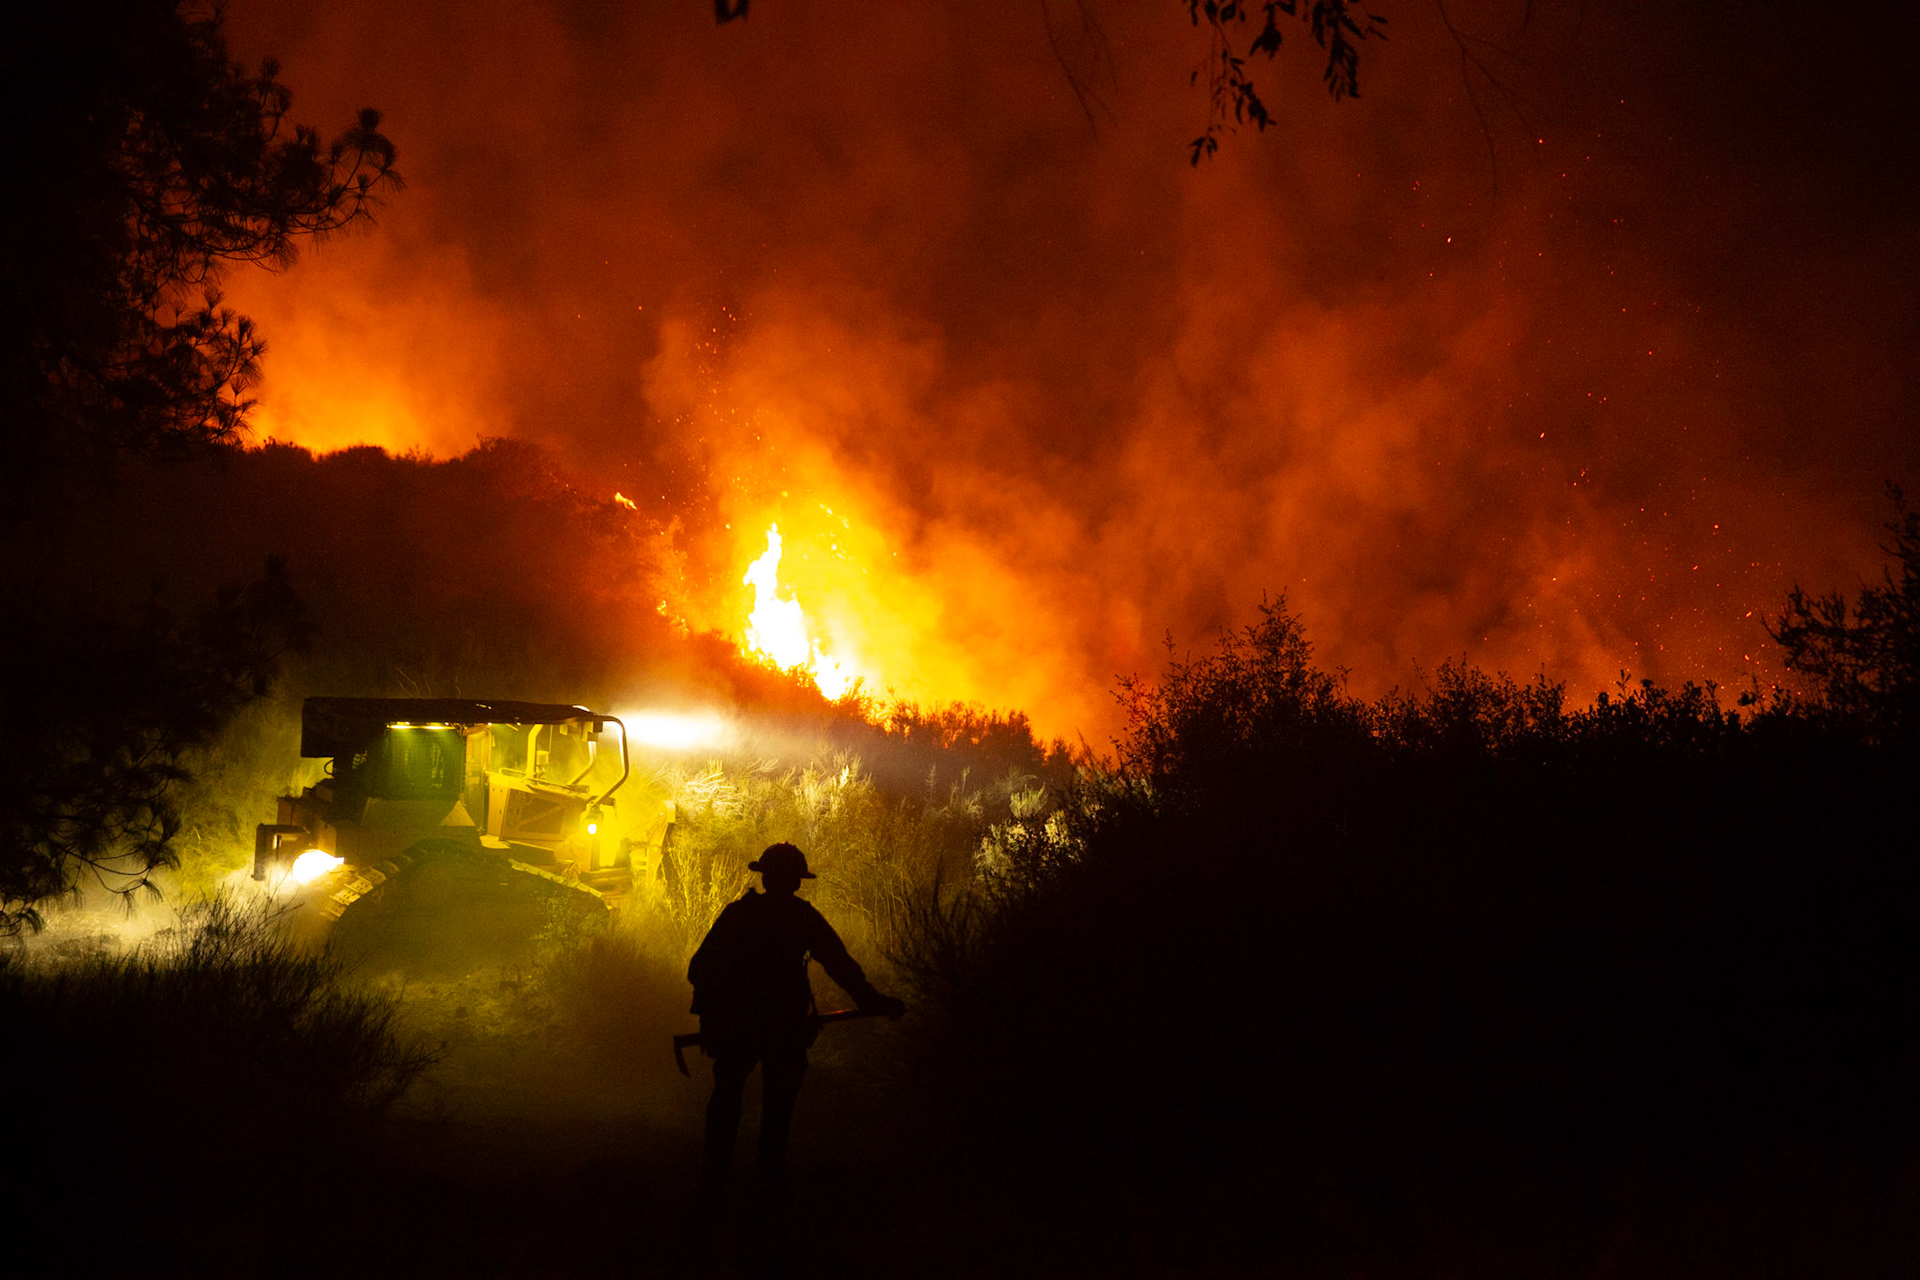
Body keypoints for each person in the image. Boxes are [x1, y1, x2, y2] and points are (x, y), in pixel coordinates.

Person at [688, 841, 905, 1199]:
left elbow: (699, 969)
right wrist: (872, 1000)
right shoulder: (802, 918)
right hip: (783, 1027)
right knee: (778, 1108)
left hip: (739, 1025)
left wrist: (715, 1015)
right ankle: (766, 1185)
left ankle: (714, 1182)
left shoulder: (738, 915)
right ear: (796, 881)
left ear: (764, 876)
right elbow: (839, 965)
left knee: (727, 1100)